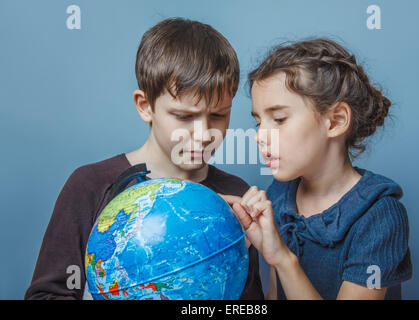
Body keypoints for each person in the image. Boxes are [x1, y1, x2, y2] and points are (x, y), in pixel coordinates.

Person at [25, 18, 263, 300]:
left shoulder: (237, 195)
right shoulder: (90, 185)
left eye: (219, 115)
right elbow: (46, 295)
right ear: (145, 106)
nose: (203, 134)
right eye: (184, 116)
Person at [220, 38, 412, 300]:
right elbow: (275, 294)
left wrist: (283, 259)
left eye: (279, 119)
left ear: (335, 121)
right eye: (258, 122)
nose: (260, 136)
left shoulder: (380, 217)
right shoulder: (280, 194)